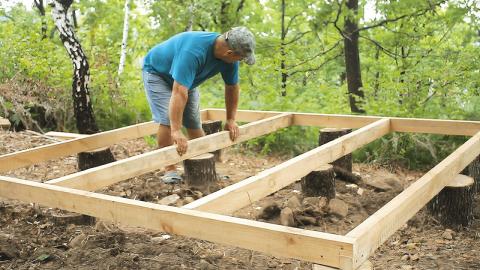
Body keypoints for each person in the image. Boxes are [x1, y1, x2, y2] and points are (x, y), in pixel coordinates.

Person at [142, 26, 256, 183]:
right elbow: (178, 92)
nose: (240, 62)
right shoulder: (193, 51)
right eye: (240, 58)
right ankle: (169, 169)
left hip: (187, 81)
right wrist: (176, 130)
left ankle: (205, 168)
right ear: (230, 53)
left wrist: (231, 119)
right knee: (168, 120)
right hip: (158, 74)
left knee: (193, 122)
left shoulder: (230, 60)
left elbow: (232, 87)